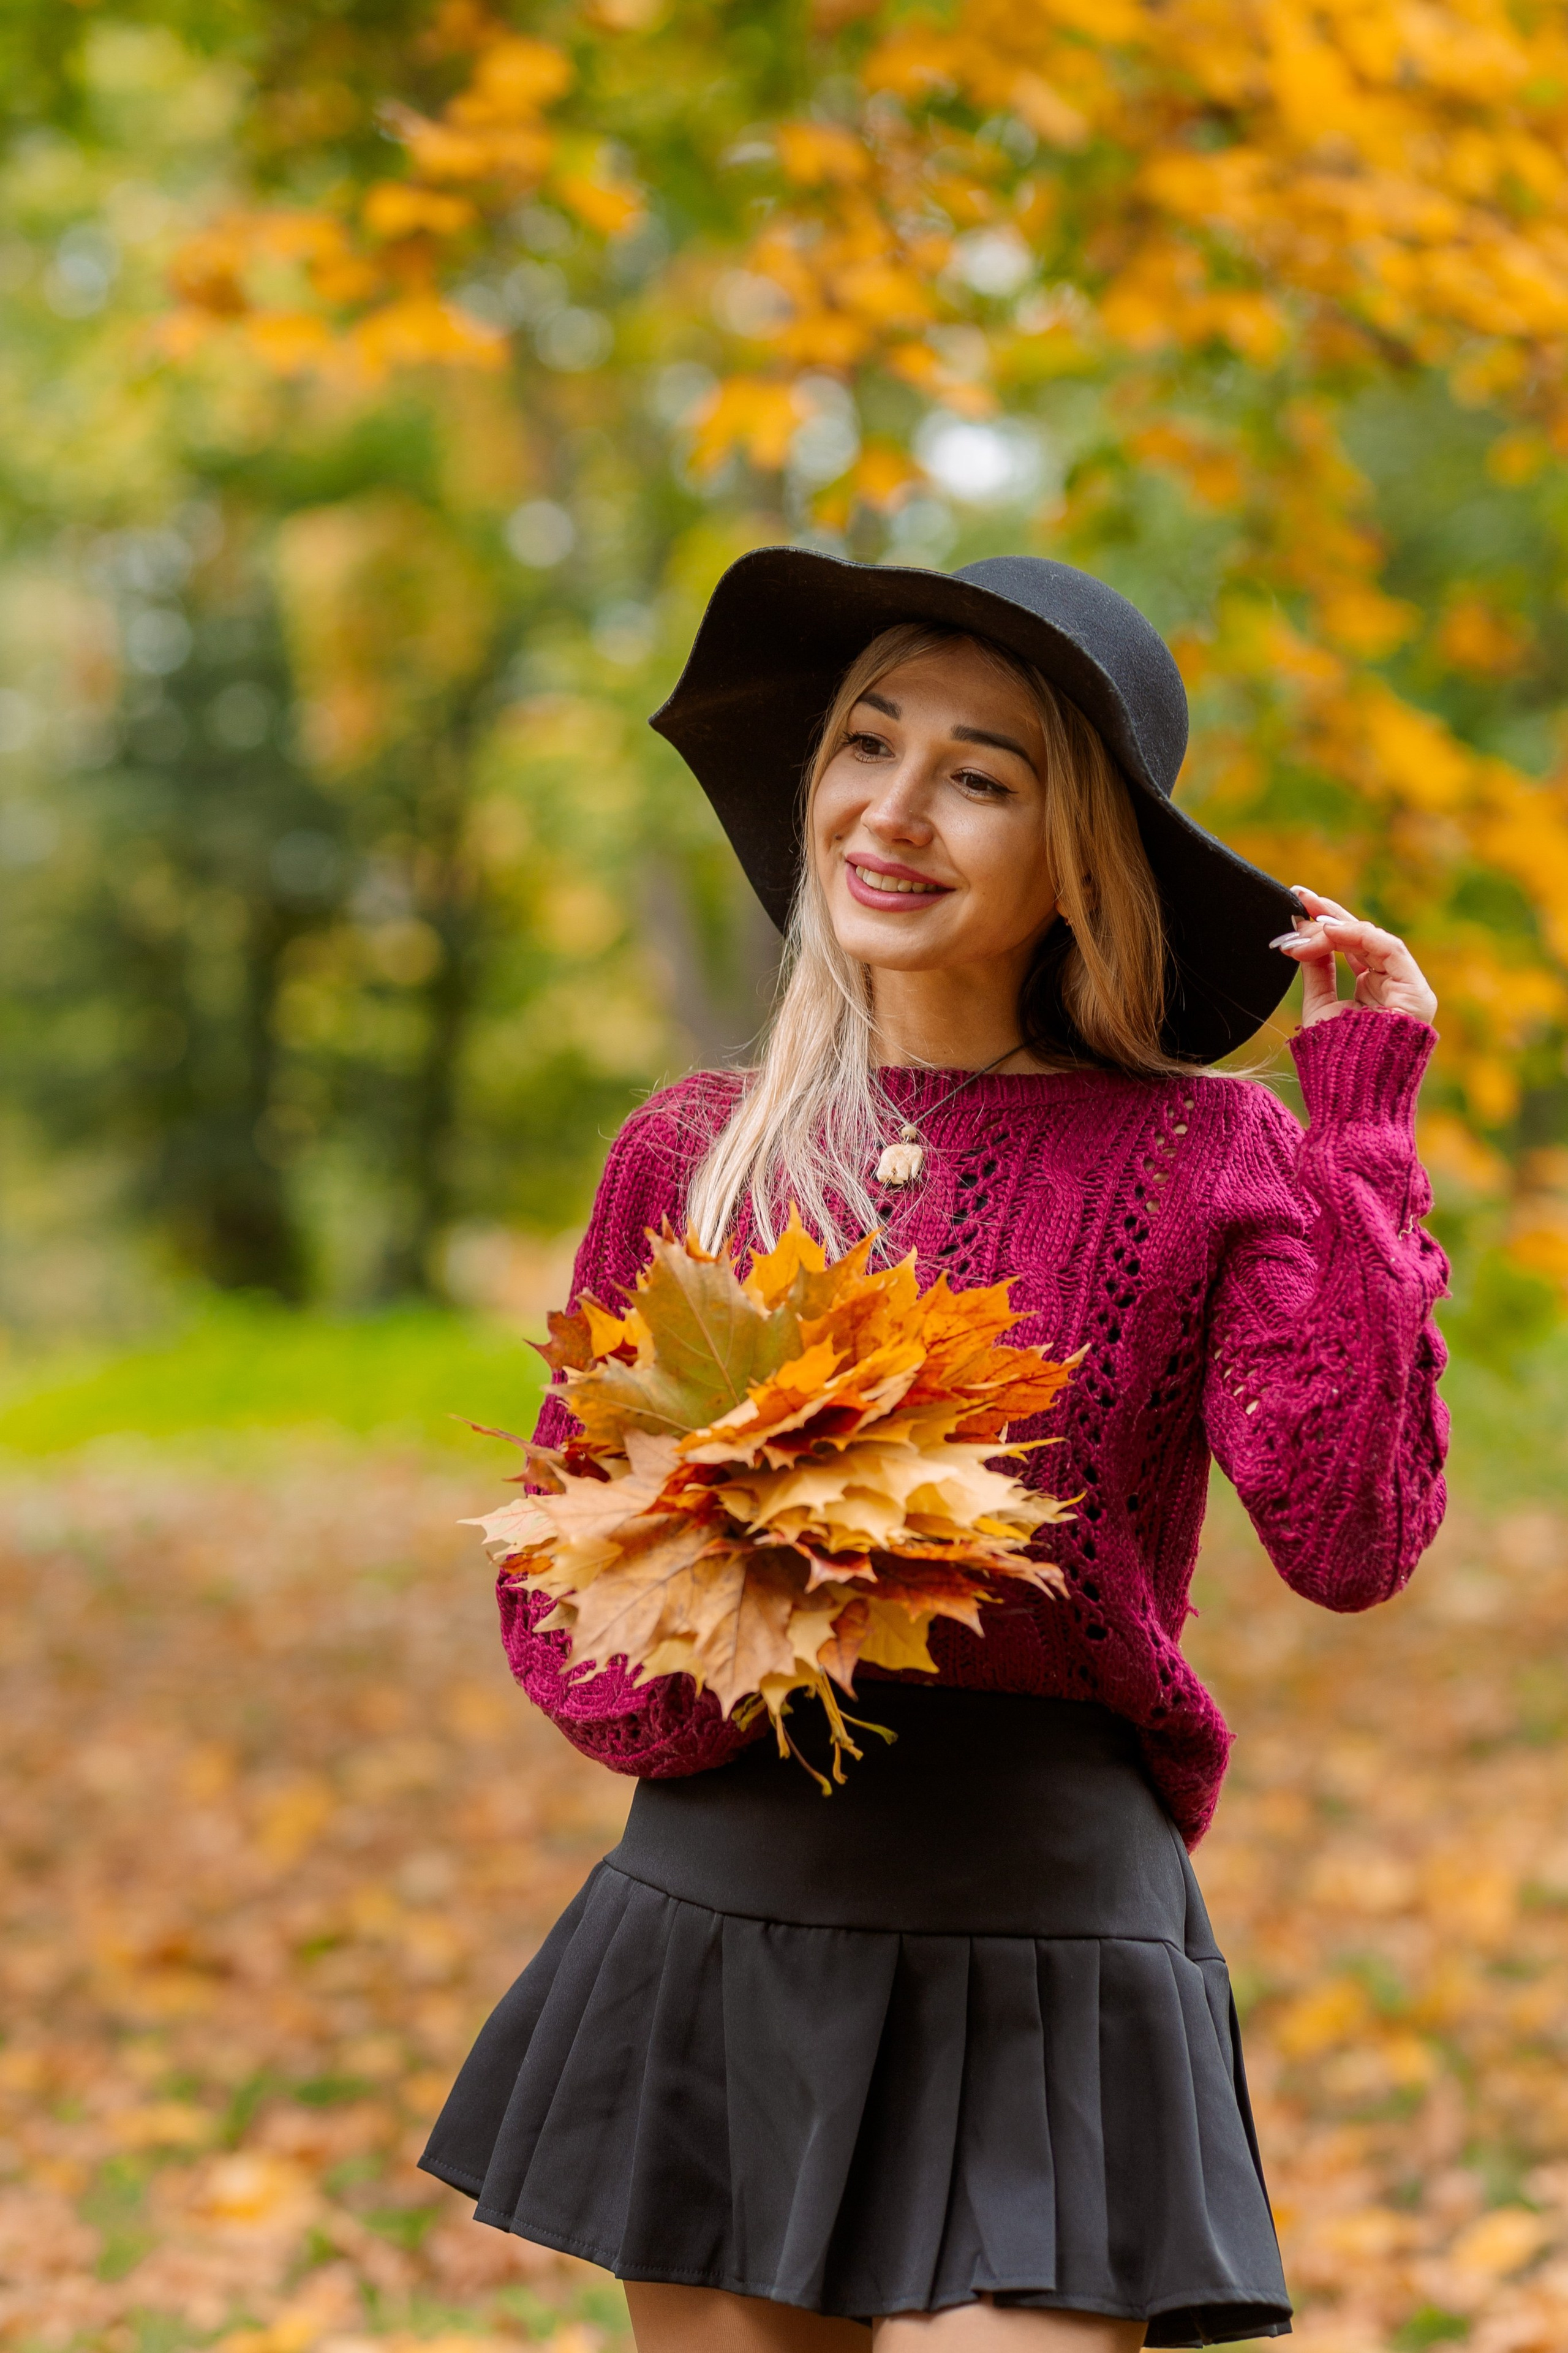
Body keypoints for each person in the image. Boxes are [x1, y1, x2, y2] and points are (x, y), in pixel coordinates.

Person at [420, 550, 1448, 2351]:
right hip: (734, 1893)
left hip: (1052, 1918)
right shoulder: (699, 1153)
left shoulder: (1209, 1151)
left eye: (980, 774)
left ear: (1083, 854)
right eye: (866, 744)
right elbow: (556, 1586)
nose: (895, 812)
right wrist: (754, 1604)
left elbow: (1347, 1531)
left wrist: (1356, 1140)